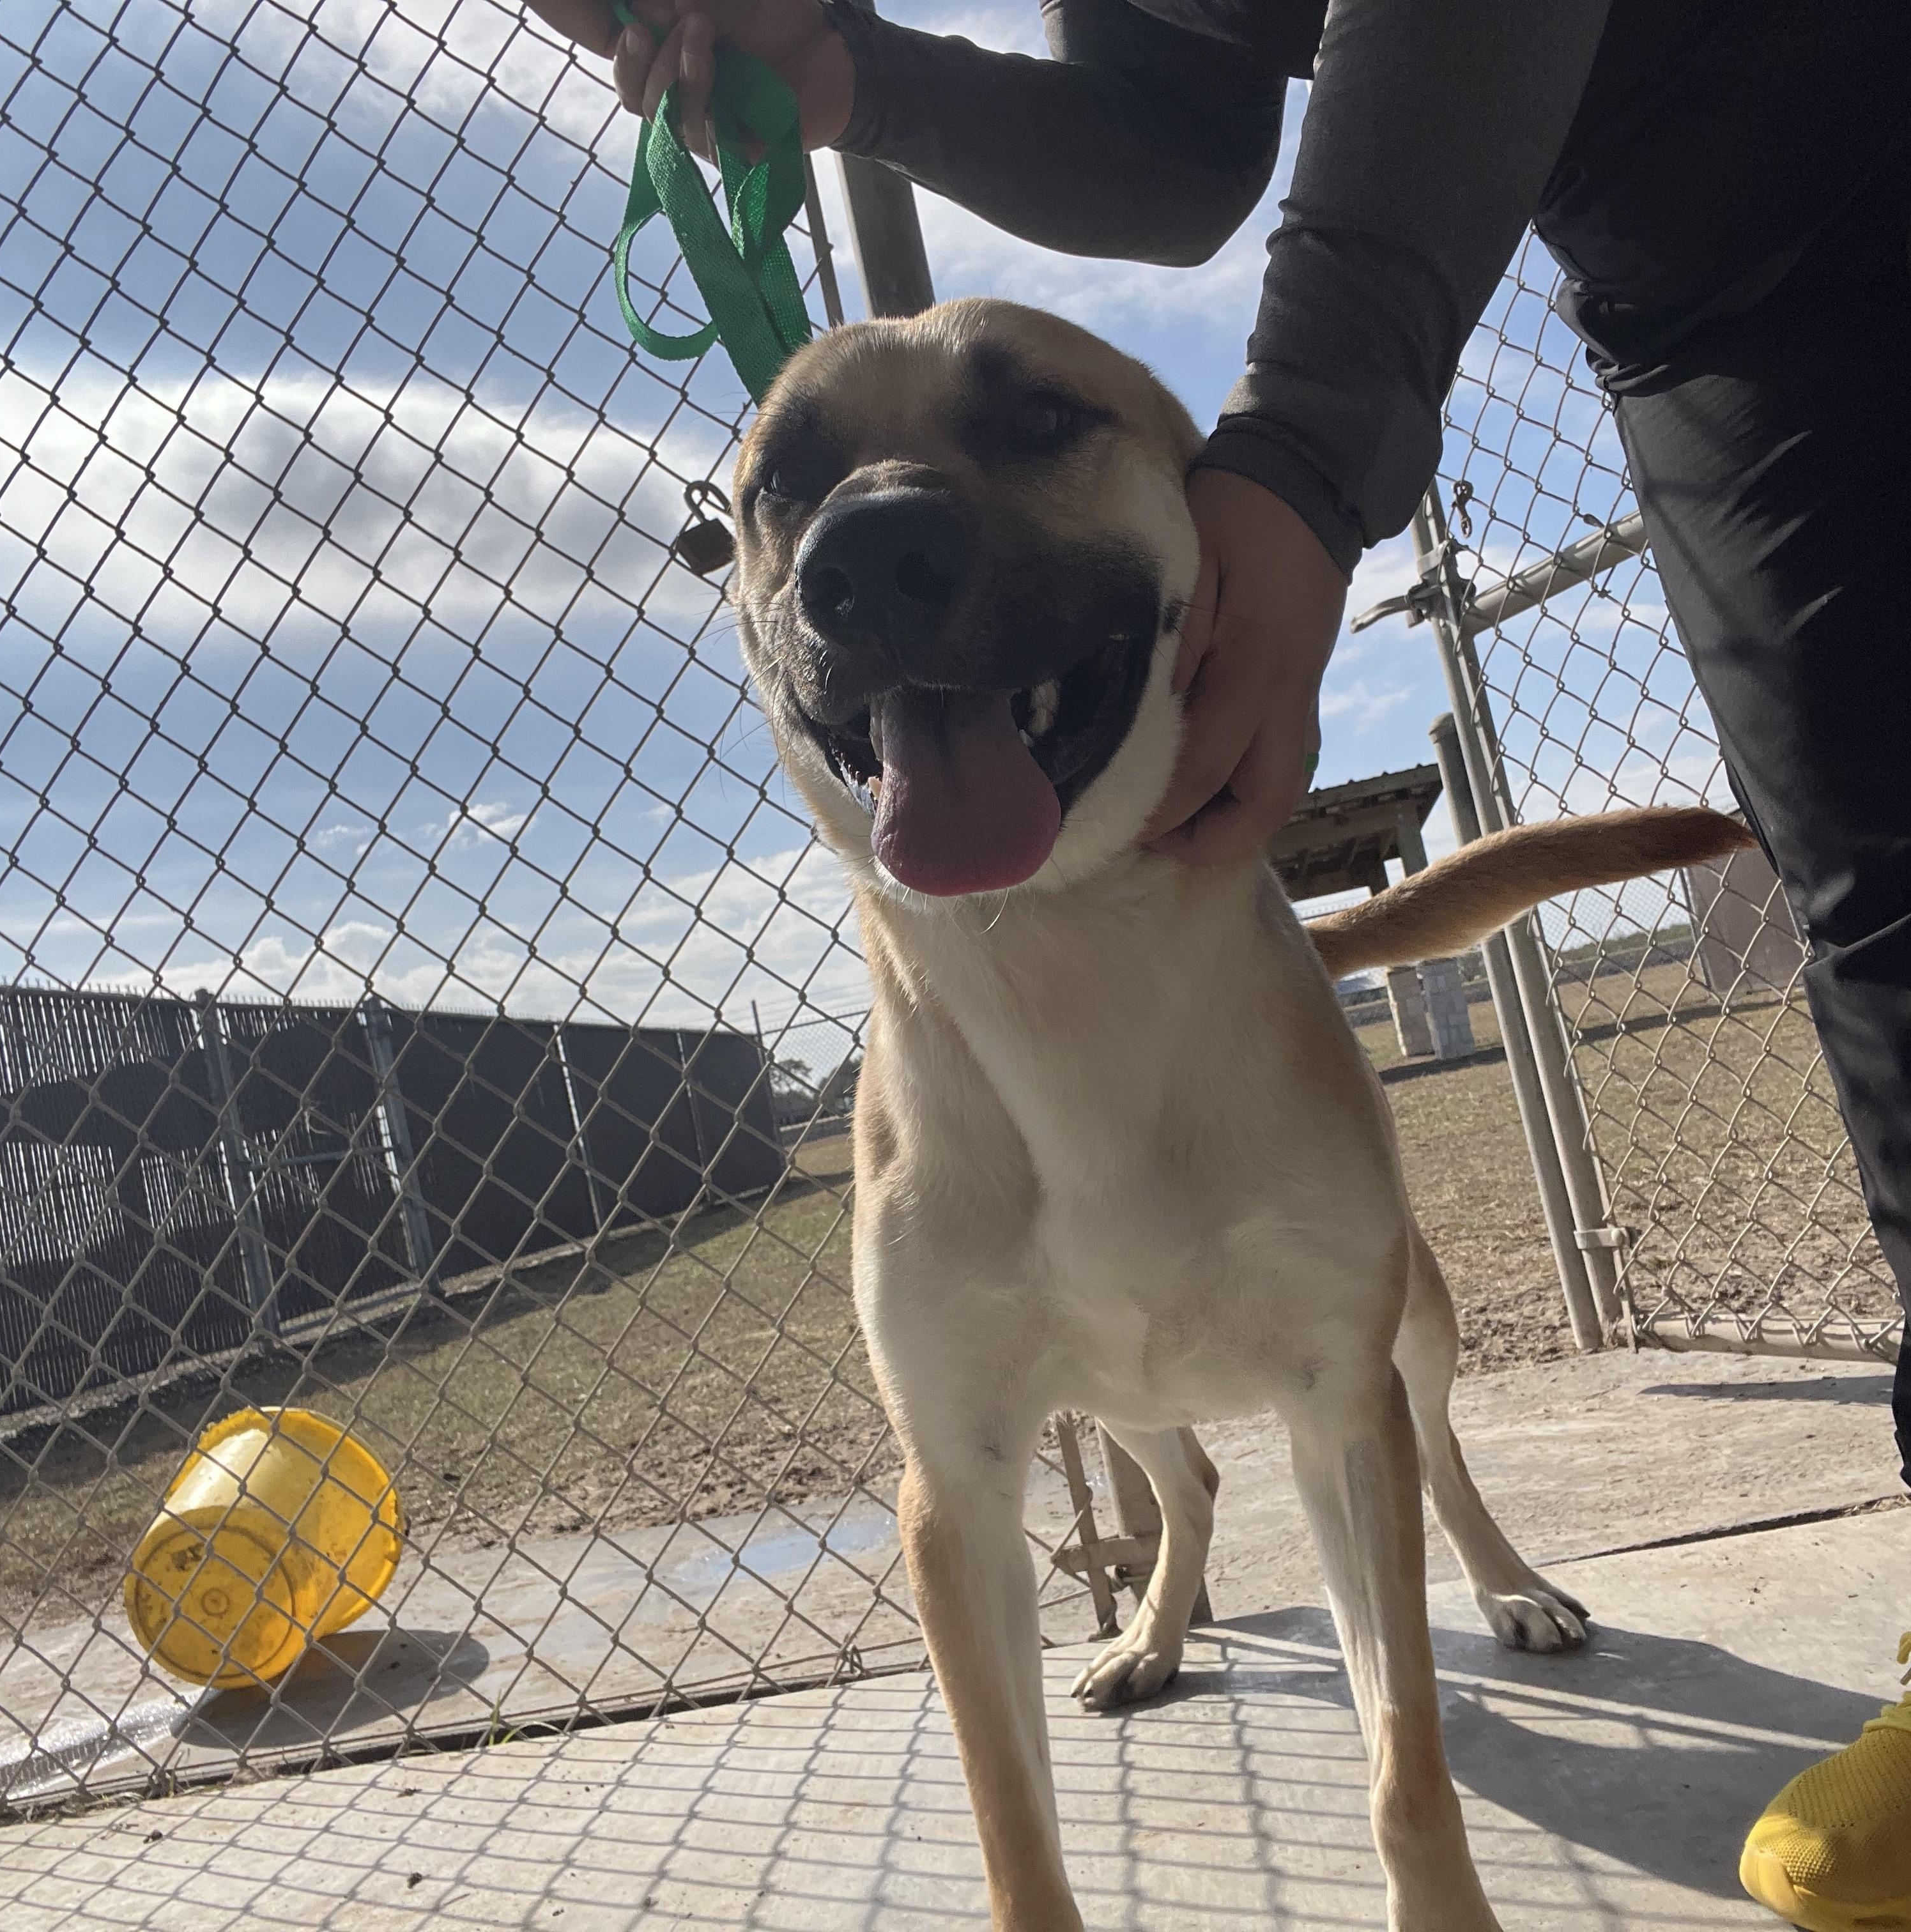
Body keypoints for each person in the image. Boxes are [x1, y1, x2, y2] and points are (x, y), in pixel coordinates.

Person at [523, 0, 1910, 1920]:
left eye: (1036, 431)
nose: (884, 537)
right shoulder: (909, 1161)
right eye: (812, 505)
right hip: (1692, 278)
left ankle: (1422, 1830)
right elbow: (1181, 138)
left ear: (1199, 526)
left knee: (1406, 1358)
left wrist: (1318, 447)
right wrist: (860, 65)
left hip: (1822, 126)